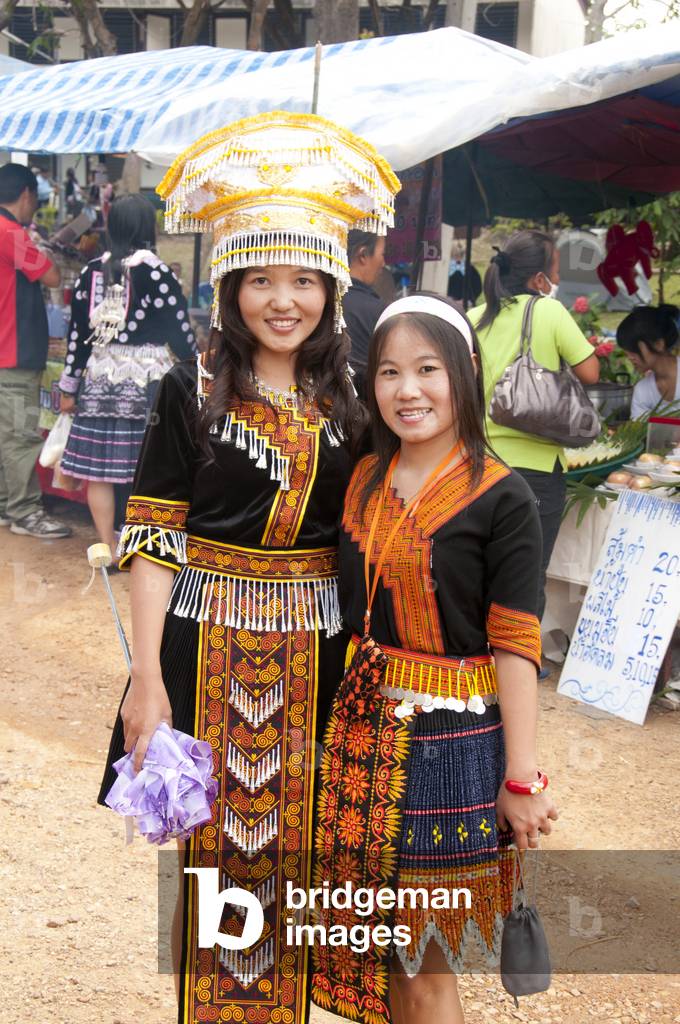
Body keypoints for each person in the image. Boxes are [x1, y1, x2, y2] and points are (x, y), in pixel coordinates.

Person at [96, 111, 400, 1024]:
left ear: (332, 289)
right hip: (205, 646)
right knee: (222, 859)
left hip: (324, 655)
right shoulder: (187, 392)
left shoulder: (355, 402)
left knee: (309, 856)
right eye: (261, 278)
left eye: (305, 279)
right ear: (231, 287)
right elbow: (153, 537)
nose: (284, 299)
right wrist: (144, 680)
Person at [312, 294, 558, 1024]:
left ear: (465, 374)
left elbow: (516, 644)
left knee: (424, 961)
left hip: (450, 747)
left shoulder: (503, 498)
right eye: (388, 372)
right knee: (377, 951)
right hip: (358, 738)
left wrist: (522, 777)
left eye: (427, 369)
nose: (407, 390)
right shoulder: (361, 476)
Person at [468, 230, 599, 622]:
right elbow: (590, 371)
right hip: (537, 470)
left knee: (479, 566)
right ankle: (522, 665)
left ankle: (477, 654)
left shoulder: (474, 317)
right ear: (539, 278)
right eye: (555, 271)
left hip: (478, 463)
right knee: (527, 572)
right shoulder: (548, 311)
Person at [58, 194, 197, 561]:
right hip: (146, 383)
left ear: (113, 226)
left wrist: (69, 386)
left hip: (101, 379)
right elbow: (179, 332)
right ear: (147, 227)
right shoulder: (156, 271)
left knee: (100, 471)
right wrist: (197, 369)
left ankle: (106, 544)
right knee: (147, 469)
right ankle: (140, 549)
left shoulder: (91, 271)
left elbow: (78, 336)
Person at [0, 163, 70, 538]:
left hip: (5, 350)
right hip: (14, 351)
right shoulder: (11, 233)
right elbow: (53, 277)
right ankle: (25, 512)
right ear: (26, 194)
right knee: (21, 436)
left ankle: (5, 505)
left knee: (4, 435)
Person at [616, 304, 680, 419]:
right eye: (627, 352)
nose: (630, 357)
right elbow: (639, 433)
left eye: (633, 349)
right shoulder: (642, 391)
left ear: (658, 344)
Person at [342, 228, 387, 388]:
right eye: (382, 255)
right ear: (363, 255)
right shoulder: (380, 312)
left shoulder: (322, 300)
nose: (383, 263)